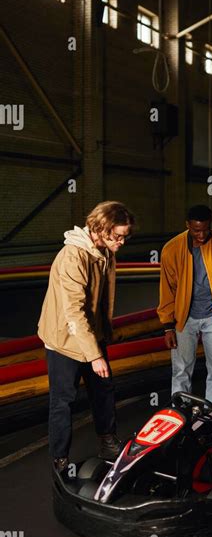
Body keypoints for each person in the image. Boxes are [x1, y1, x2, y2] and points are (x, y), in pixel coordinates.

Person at [38, 201, 135, 474]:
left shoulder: (104, 251)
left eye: (125, 236)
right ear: (99, 229)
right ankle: (59, 458)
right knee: (63, 399)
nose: (122, 242)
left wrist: (104, 335)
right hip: (65, 339)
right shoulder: (73, 257)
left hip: (91, 333)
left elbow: (99, 301)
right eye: (117, 236)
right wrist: (94, 356)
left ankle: (107, 441)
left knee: (104, 390)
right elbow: (74, 313)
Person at [158, 204, 212, 403]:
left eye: (205, 229)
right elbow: (166, 290)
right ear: (187, 225)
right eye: (196, 230)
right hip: (183, 319)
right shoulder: (171, 249)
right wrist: (167, 327)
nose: (202, 235)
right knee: (181, 370)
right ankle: (181, 410)